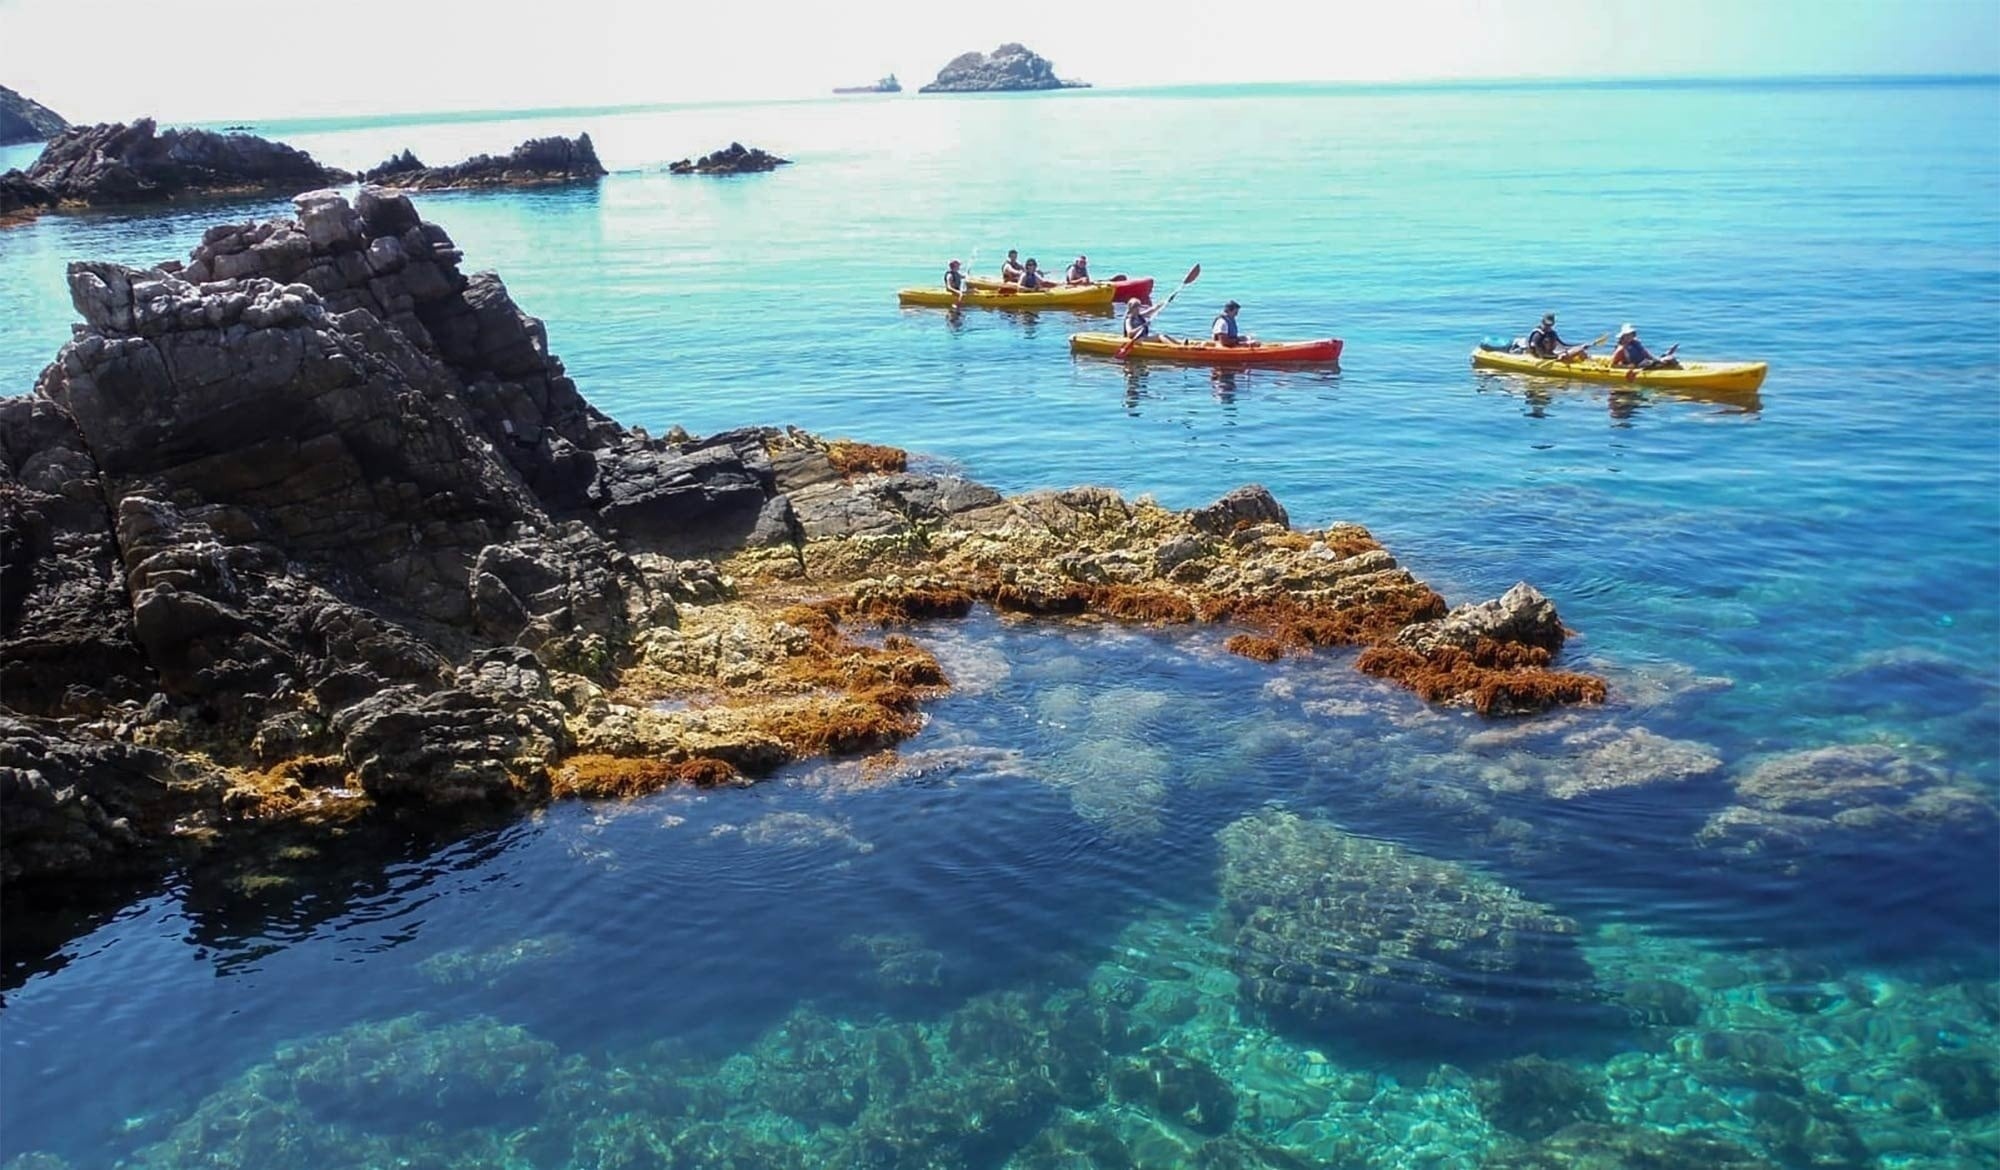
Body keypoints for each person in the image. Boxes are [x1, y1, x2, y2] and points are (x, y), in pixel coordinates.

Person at [1609, 324, 1681, 370]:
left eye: (1632, 334)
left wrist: (1656, 360)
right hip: (1639, 366)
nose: (1630, 336)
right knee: (1670, 359)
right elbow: (1613, 365)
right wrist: (1628, 367)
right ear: (1623, 337)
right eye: (1627, 335)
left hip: (1646, 363)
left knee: (1670, 359)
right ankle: (1667, 360)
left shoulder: (1635, 343)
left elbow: (1646, 354)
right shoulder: (1621, 349)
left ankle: (1665, 357)